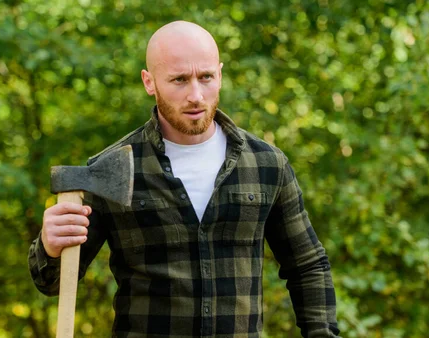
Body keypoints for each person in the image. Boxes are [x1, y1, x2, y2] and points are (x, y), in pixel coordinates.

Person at [29, 20, 340, 337]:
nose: (196, 95)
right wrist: (50, 247)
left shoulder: (266, 164)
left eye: (206, 77)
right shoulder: (111, 168)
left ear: (219, 73)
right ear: (149, 82)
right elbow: (53, 283)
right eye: (179, 80)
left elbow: (308, 267)